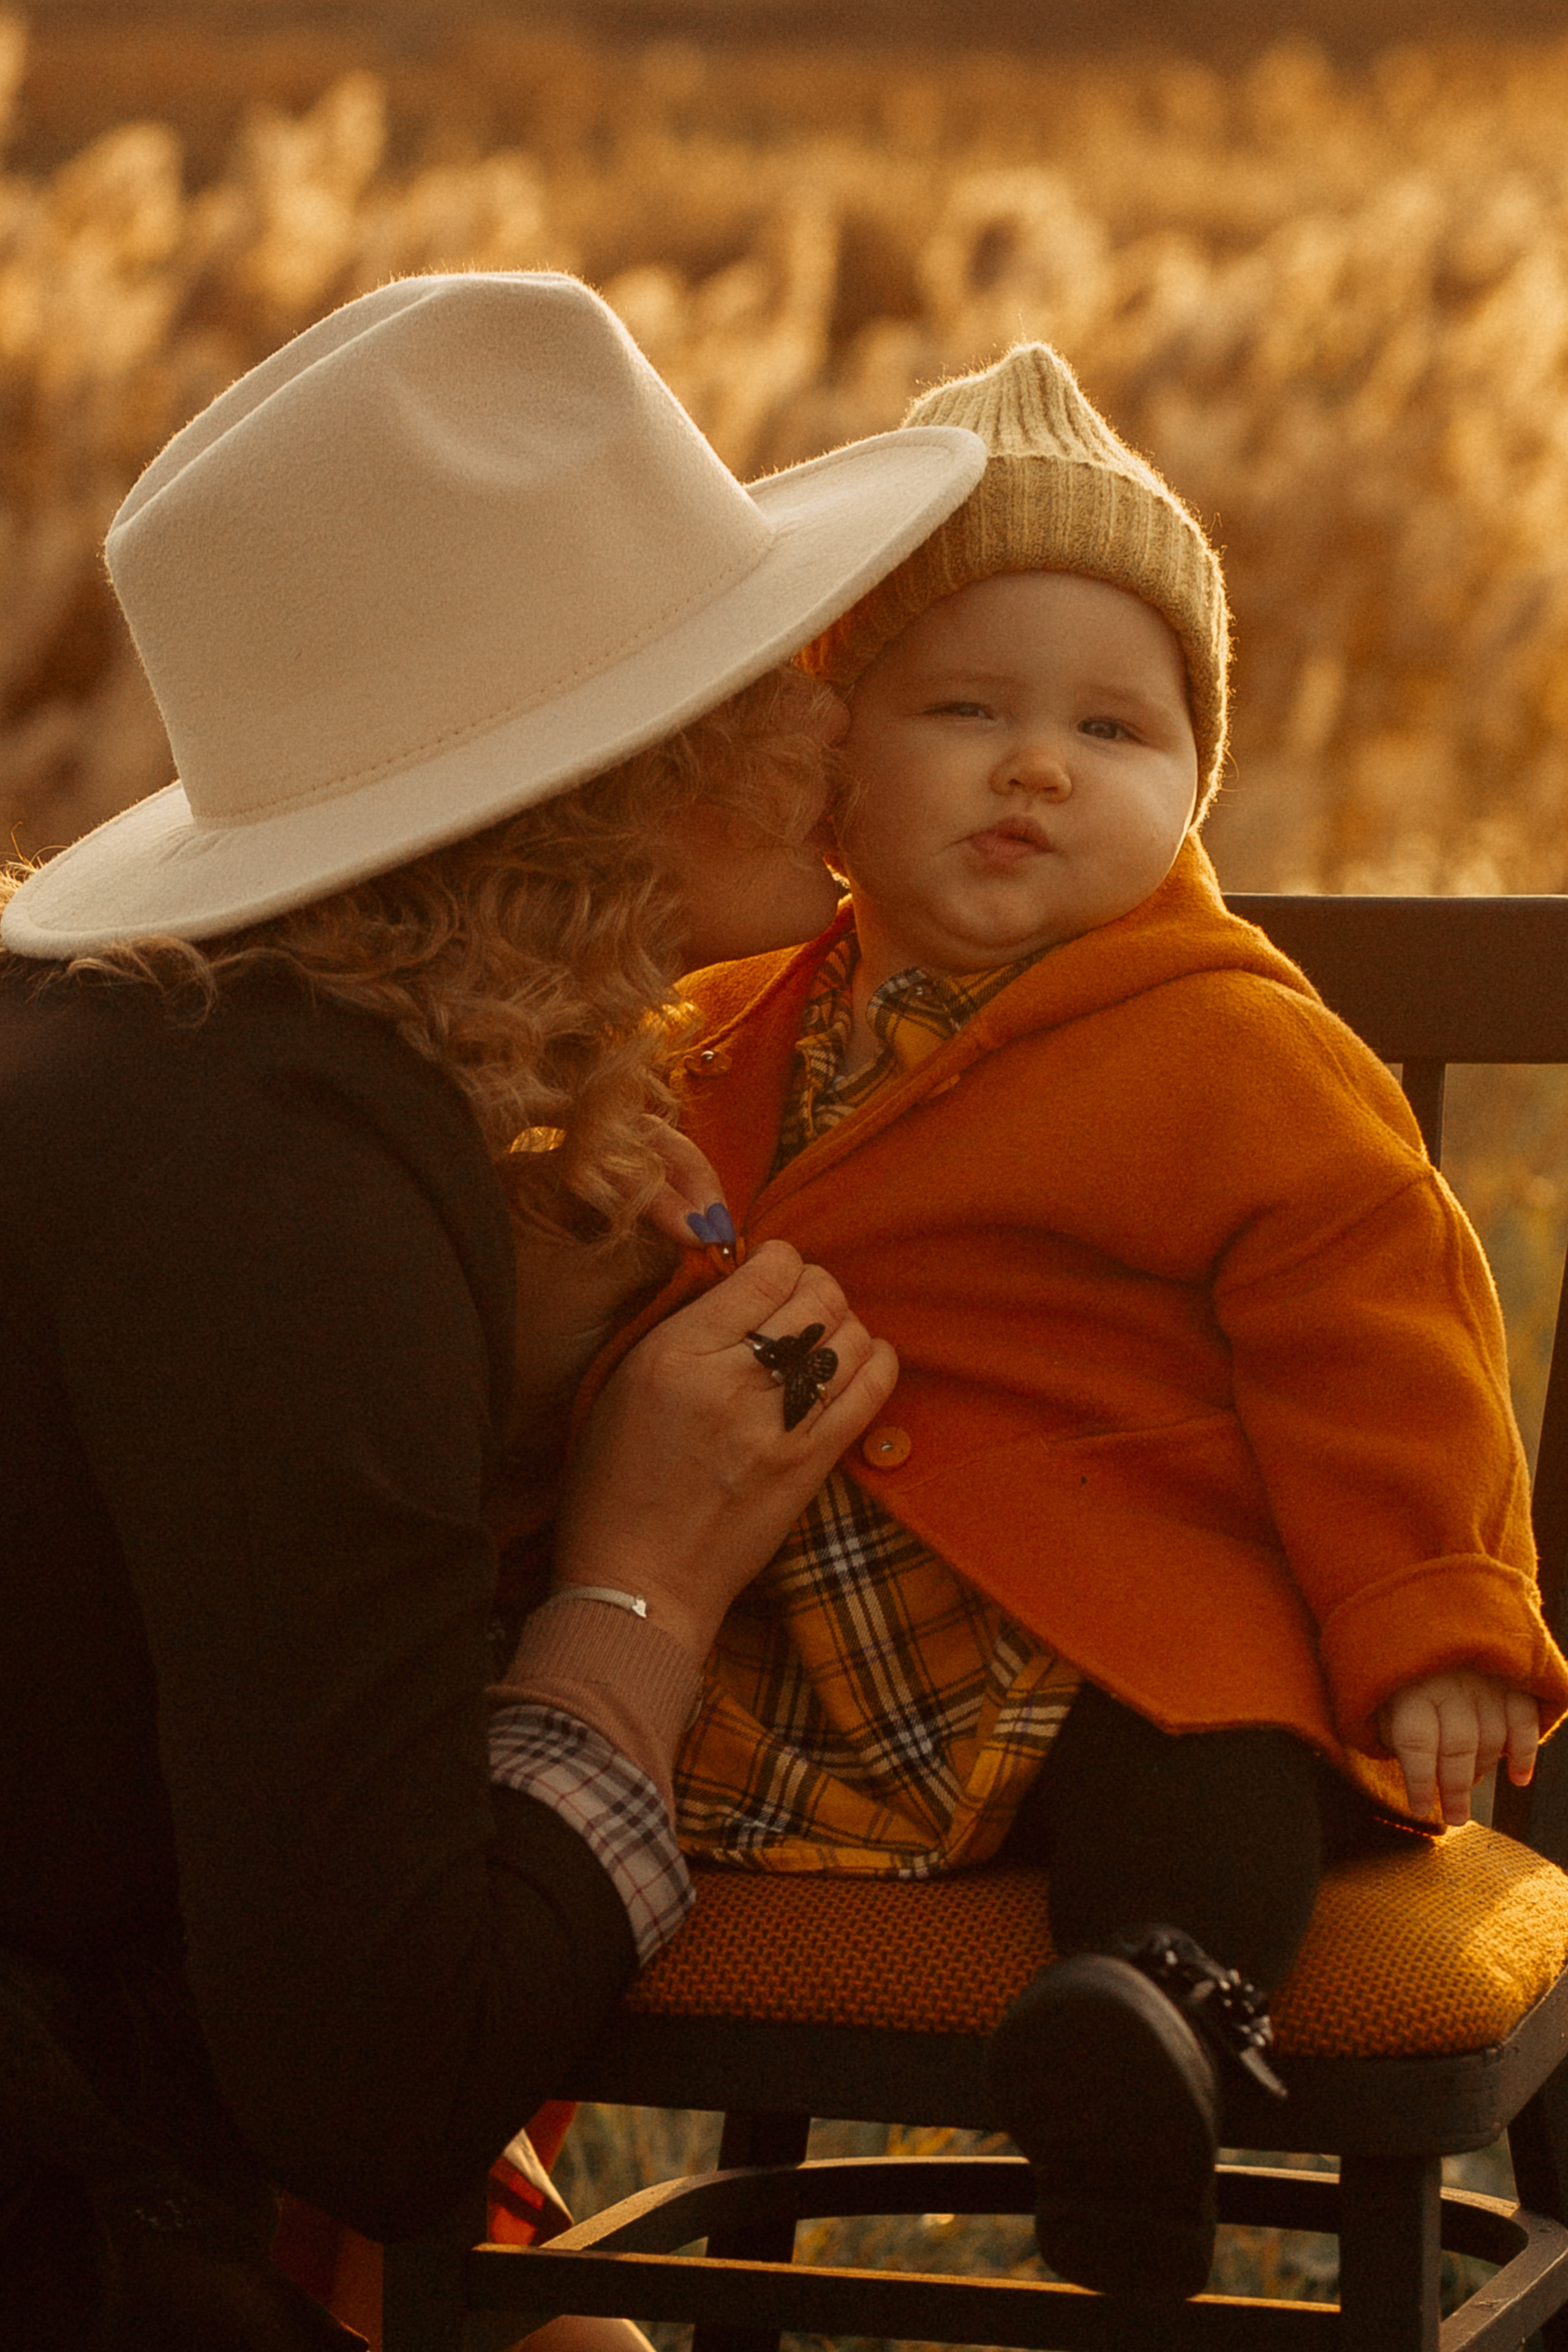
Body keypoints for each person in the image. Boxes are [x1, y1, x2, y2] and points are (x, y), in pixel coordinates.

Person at [0, 270, 986, 2349]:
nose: (832, 708)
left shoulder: (212, 1071)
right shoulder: (278, 1198)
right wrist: (641, 1577)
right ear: (601, 777)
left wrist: (513, 1411)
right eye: (751, 666)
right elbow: (378, 2081)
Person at [573, 342, 1568, 2304]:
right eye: (966, 708)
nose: (1041, 763)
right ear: (831, 763)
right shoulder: (737, 1024)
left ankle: (1156, 2028)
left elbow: (1385, 1336)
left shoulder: (1232, 1045)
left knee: (1202, 1754)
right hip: (811, 1643)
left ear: (1195, 779)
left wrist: (1435, 1610)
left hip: (1132, 1625)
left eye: (1117, 730)